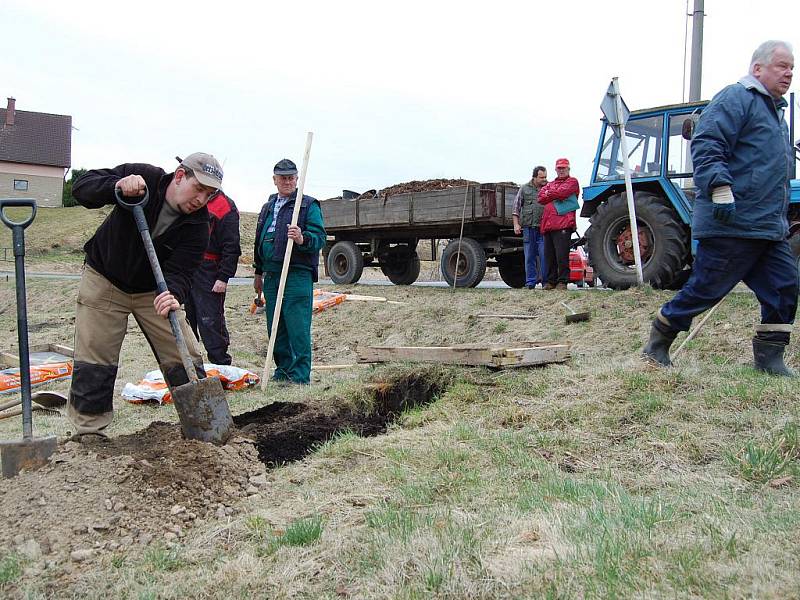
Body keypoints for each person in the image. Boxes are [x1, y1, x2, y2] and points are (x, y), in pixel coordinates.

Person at [643, 40, 796, 375]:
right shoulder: (736, 98)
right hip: (733, 222)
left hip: (768, 227)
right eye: (782, 66)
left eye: (792, 68)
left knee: (785, 287)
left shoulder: (776, 113)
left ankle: (769, 359)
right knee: (706, 289)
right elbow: (708, 141)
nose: (789, 73)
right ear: (758, 68)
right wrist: (720, 187)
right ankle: (659, 340)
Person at [68, 153, 224, 437]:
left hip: (154, 290)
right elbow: (82, 188)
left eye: (209, 194)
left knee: (185, 354)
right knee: (95, 358)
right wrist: (116, 186)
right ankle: (89, 435)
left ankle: (205, 427)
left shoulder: (200, 224)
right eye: (198, 189)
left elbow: (182, 271)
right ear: (179, 176)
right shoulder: (145, 178)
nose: (201, 199)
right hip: (104, 279)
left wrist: (173, 293)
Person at [253, 159, 326, 384]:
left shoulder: (307, 205)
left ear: (297, 179)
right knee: (276, 326)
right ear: (274, 180)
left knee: (297, 326)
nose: (287, 181)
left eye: (291, 177)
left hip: (296, 273)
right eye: (282, 177)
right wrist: (258, 272)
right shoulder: (268, 207)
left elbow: (320, 238)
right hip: (272, 273)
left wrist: (303, 238)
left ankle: (300, 375)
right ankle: (282, 370)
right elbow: (259, 240)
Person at [185, 189, 241, 365]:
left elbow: (232, 246)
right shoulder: (189, 198)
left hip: (210, 269)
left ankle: (221, 365)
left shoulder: (225, 206)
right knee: (186, 320)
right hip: (187, 265)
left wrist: (223, 277)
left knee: (210, 321)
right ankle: (189, 365)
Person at [538, 158, 579, 290]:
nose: (561, 170)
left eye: (564, 168)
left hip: (563, 224)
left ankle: (562, 281)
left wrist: (549, 193)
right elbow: (540, 197)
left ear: (568, 169)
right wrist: (553, 194)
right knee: (549, 256)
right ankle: (551, 281)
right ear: (556, 169)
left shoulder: (573, 181)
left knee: (562, 255)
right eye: (559, 168)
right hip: (548, 225)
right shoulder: (551, 183)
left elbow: (563, 193)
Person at [513, 166, 548, 288]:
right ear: (534, 177)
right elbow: (516, 207)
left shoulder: (549, 188)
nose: (544, 179)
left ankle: (545, 283)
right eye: (541, 177)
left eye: (545, 177)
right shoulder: (524, 188)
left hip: (543, 229)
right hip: (528, 228)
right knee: (529, 256)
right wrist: (516, 224)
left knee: (544, 256)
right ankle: (530, 282)